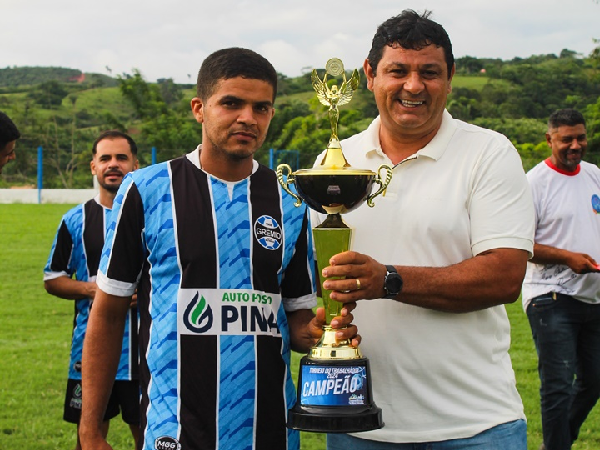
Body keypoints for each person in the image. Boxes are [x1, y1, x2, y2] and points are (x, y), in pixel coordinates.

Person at [78, 47, 359, 450]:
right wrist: (90, 430)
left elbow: (296, 321)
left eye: (261, 107)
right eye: (231, 103)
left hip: (268, 429)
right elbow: (107, 314)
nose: (248, 117)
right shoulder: (147, 190)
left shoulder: (292, 201)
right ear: (199, 108)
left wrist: (317, 330)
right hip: (172, 427)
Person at [312, 10, 535, 450]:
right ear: (370, 75)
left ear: (450, 78)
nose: (413, 86)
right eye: (398, 71)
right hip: (357, 426)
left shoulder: (488, 153)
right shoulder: (335, 162)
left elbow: (505, 276)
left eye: (429, 72)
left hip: (474, 426)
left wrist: (388, 280)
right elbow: (315, 277)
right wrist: (320, 325)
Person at [44, 130, 140, 450]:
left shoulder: (155, 217)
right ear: (93, 167)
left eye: (121, 158)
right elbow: (53, 278)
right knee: (89, 439)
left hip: (148, 352)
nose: (113, 165)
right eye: (105, 158)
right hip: (90, 352)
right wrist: (97, 291)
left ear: (136, 165)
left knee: (153, 438)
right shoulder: (75, 219)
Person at [522, 108, 600, 450]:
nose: (575, 145)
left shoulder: (595, 175)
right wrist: (568, 258)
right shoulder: (534, 183)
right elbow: (519, 243)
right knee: (558, 385)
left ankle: (555, 445)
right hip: (550, 296)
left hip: (592, 296)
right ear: (549, 139)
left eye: (580, 137)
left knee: (594, 381)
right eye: (566, 139)